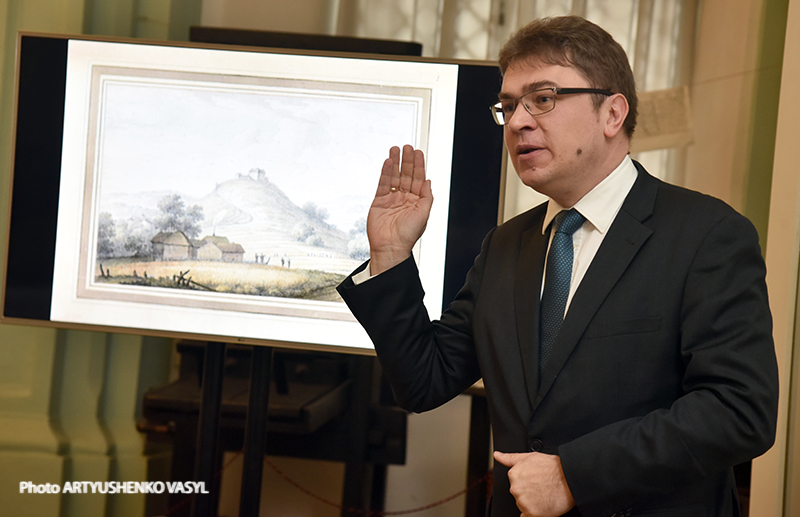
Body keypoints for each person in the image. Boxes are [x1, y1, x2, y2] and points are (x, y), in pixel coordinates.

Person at [337, 15, 778, 517]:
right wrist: (391, 255)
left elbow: (739, 410)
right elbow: (425, 381)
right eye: (508, 106)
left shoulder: (706, 235)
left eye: (543, 99)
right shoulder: (506, 246)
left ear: (612, 113)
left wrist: (574, 475)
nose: (518, 122)